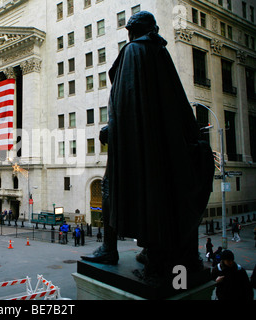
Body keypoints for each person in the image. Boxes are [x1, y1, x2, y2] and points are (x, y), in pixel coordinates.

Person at [81, 11, 214, 279]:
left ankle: (111, 249)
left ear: (131, 31)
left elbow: (126, 102)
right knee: (155, 195)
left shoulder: (134, 52)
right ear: (150, 29)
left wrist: (113, 129)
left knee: (110, 187)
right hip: (161, 145)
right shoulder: (159, 53)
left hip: (135, 146)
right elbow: (173, 100)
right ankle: (148, 250)